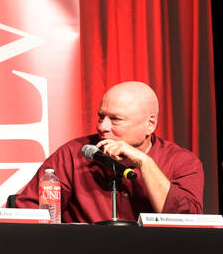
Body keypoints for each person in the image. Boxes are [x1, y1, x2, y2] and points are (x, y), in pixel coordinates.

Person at [14, 81, 204, 222]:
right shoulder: (72, 155)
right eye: (101, 117)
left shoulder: (182, 162)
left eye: (116, 119)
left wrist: (145, 163)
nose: (103, 127)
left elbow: (187, 222)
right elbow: (28, 214)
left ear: (150, 124)